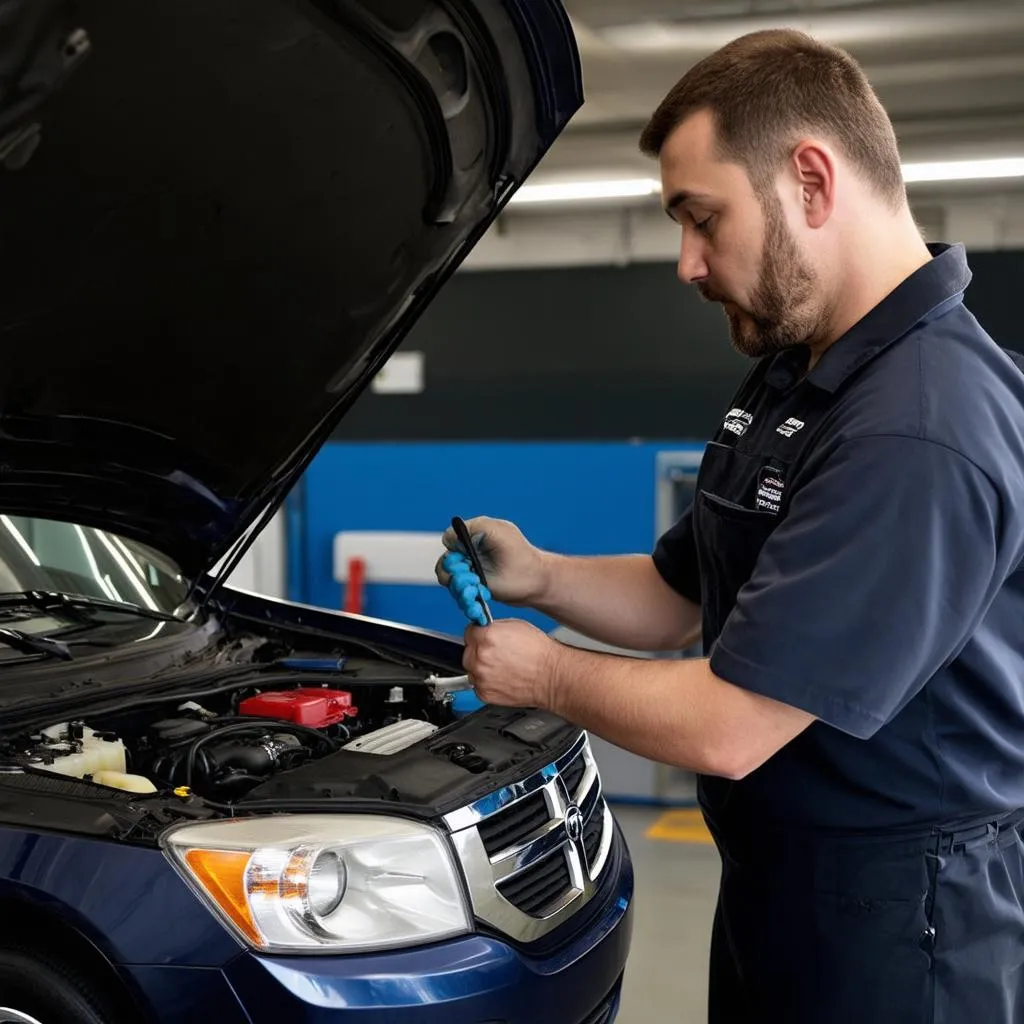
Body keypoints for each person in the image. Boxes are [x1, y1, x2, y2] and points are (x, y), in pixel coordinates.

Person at [436, 27, 1024, 1024]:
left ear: (809, 179)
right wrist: (537, 572)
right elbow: (678, 601)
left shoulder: (917, 423)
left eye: (701, 219)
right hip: (782, 886)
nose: (685, 262)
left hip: (898, 923)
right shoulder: (803, 373)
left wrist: (541, 674)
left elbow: (732, 723)